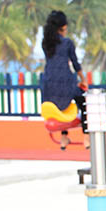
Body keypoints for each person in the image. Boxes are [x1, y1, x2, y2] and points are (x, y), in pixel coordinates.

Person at [39, 10, 86, 145]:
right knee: (85, 102)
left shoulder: (45, 43)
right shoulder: (67, 43)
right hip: (65, 83)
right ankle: (87, 137)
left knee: (61, 106)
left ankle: (64, 137)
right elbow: (75, 64)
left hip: (49, 87)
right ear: (63, 27)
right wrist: (83, 80)